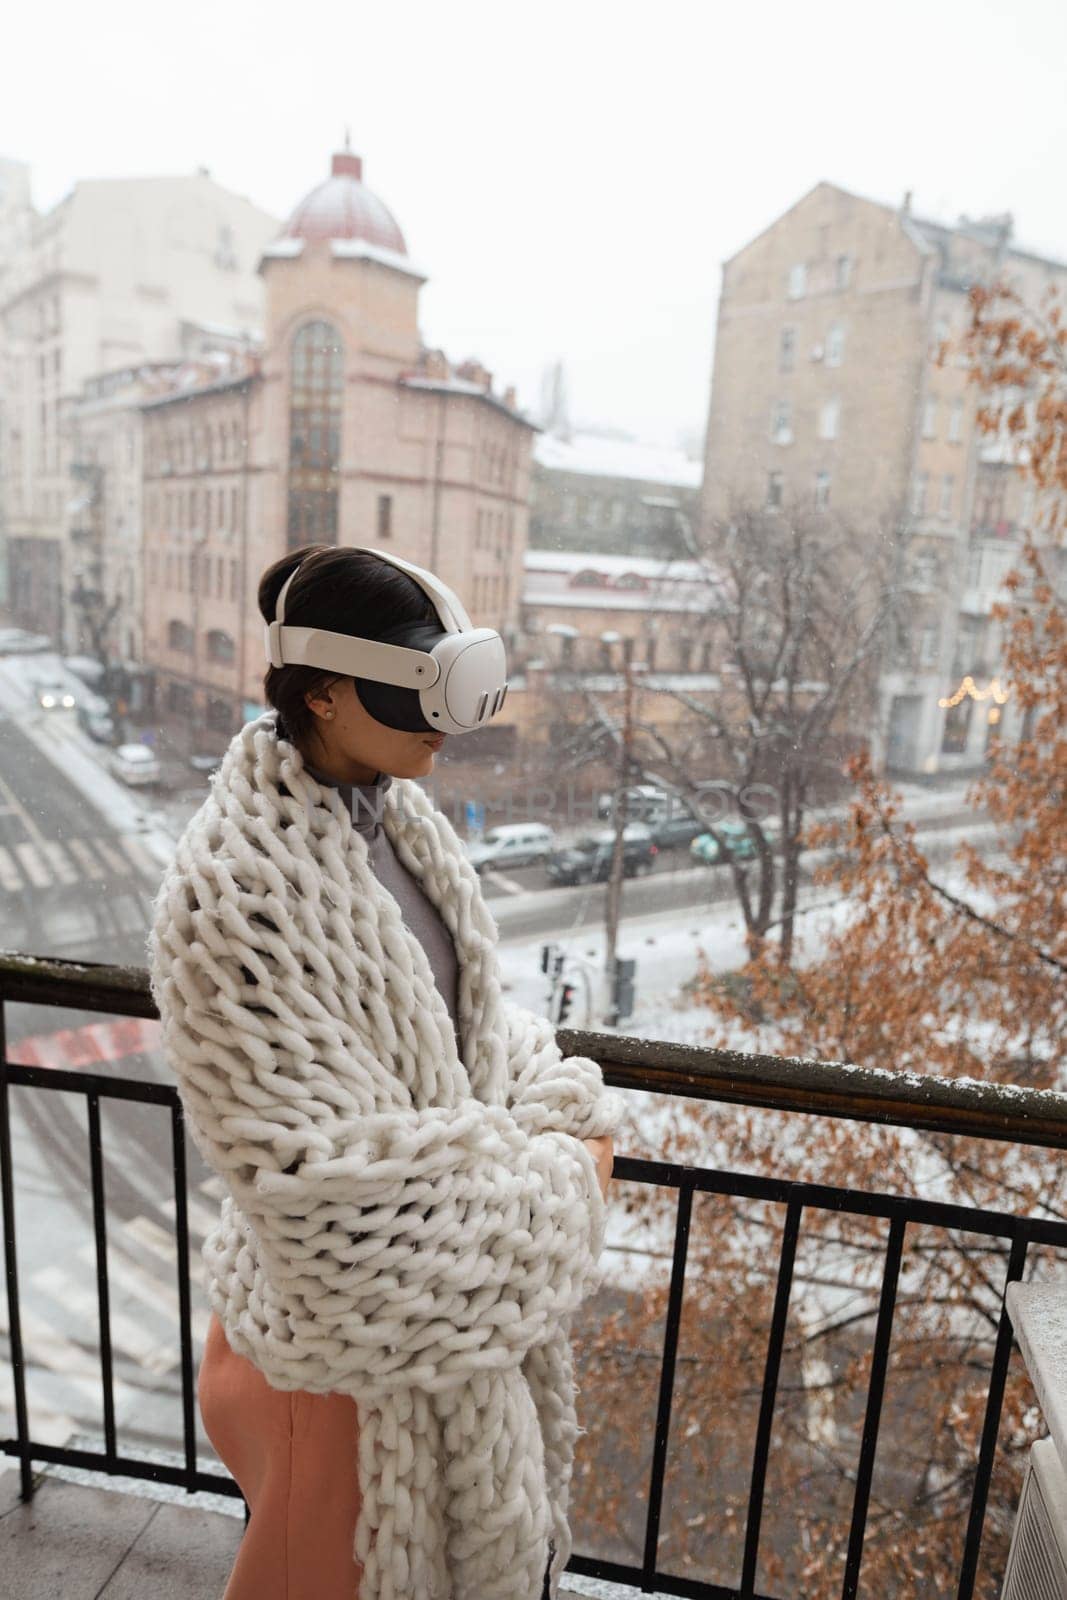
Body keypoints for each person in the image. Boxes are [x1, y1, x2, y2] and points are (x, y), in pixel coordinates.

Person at [148, 542, 619, 1600]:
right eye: (415, 699)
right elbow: (338, 1224)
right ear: (319, 691)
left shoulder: (397, 823)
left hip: (420, 1362)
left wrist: (544, 1107)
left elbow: (474, 1031)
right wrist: (566, 1183)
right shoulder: (234, 900)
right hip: (339, 1391)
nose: (443, 727)